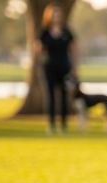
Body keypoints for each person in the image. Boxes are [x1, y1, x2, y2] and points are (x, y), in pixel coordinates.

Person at [35, 4, 78, 135]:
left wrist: (75, 67)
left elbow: (75, 48)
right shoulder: (44, 32)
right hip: (49, 68)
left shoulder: (66, 31)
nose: (56, 16)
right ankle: (51, 125)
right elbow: (37, 49)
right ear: (49, 16)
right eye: (54, 14)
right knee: (51, 96)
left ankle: (64, 125)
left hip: (65, 68)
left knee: (64, 96)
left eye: (58, 14)